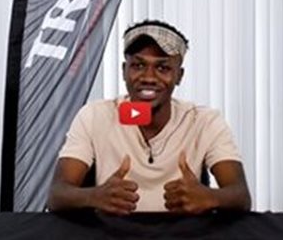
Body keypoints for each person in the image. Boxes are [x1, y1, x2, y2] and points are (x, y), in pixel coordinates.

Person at [47, 20, 251, 215]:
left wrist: (210, 198)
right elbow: (57, 194)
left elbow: (240, 196)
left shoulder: (205, 121)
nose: (148, 77)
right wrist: (93, 196)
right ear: (123, 71)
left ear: (179, 76)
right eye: (138, 65)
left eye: (162, 68)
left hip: (183, 234)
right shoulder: (94, 116)